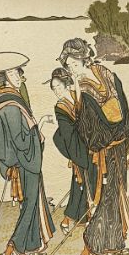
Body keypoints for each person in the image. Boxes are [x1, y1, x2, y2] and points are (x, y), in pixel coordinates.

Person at [58, 38, 129, 255]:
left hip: (119, 145)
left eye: (74, 63)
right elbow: (87, 129)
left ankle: (118, 242)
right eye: (68, 65)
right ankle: (88, 249)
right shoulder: (81, 89)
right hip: (102, 151)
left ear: (84, 58)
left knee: (118, 192)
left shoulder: (106, 74)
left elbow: (124, 109)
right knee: (106, 197)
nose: (72, 68)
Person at [0, 66, 56, 255]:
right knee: (29, 205)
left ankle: (28, 248)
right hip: (24, 161)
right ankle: (9, 251)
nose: (17, 77)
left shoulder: (6, 98)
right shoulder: (9, 104)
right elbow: (21, 141)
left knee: (32, 203)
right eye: (11, 74)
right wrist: (39, 126)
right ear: (4, 77)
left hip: (23, 160)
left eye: (18, 73)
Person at [48, 67, 93, 234]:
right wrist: (79, 155)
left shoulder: (76, 96)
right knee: (80, 181)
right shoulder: (60, 107)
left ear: (67, 85)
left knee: (80, 183)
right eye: (54, 88)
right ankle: (69, 219)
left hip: (84, 145)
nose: (57, 91)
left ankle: (73, 219)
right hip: (74, 146)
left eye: (59, 87)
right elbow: (68, 134)